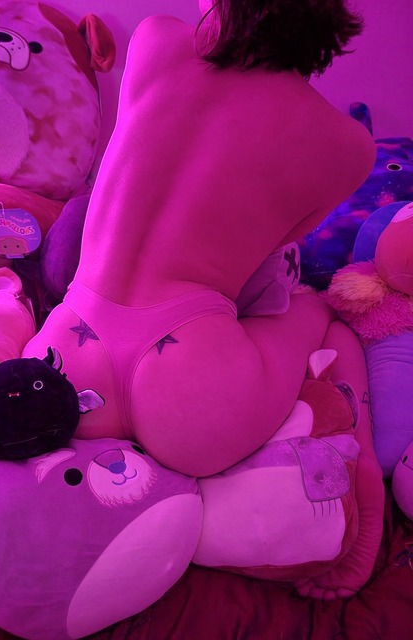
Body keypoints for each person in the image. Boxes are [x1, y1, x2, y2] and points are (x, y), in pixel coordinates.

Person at [23, 0, 384, 598]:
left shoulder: (157, 39)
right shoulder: (349, 145)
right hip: (194, 390)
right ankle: (365, 482)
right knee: (327, 310)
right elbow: (279, 238)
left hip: (63, 357)